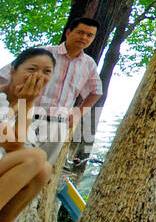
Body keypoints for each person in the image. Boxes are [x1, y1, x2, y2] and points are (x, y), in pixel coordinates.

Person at [0, 17, 103, 162]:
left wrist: (78, 113)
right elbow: (4, 76)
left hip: (58, 126)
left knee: (39, 171)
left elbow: (96, 91)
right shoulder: (43, 54)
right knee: (13, 164)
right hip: (28, 119)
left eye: (89, 35)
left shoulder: (88, 64)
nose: (84, 38)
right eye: (80, 32)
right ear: (68, 33)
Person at [0, 48, 55, 222]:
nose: (38, 76)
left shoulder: (26, 103)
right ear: (13, 71)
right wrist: (24, 103)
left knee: (43, 169)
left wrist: (26, 103)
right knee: (34, 157)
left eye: (46, 71)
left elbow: (17, 145)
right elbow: (12, 144)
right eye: (31, 69)